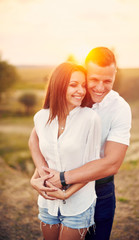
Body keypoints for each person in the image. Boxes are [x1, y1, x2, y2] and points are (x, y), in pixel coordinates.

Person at [29, 47, 132, 240]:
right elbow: (36, 137)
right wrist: (41, 173)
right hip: (55, 188)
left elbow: (112, 163)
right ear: (85, 73)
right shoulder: (73, 96)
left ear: (115, 75)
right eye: (93, 80)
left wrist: (62, 178)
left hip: (100, 190)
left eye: (107, 81)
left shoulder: (119, 109)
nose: (100, 87)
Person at [29, 62, 101, 240]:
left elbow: (93, 165)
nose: (81, 90)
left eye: (83, 85)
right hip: (48, 202)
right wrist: (37, 179)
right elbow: (36, 145)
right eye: (73, 84)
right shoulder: (41, 117)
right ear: (59, 85)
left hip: (79, 203)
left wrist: (67, 193)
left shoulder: (90, 118)